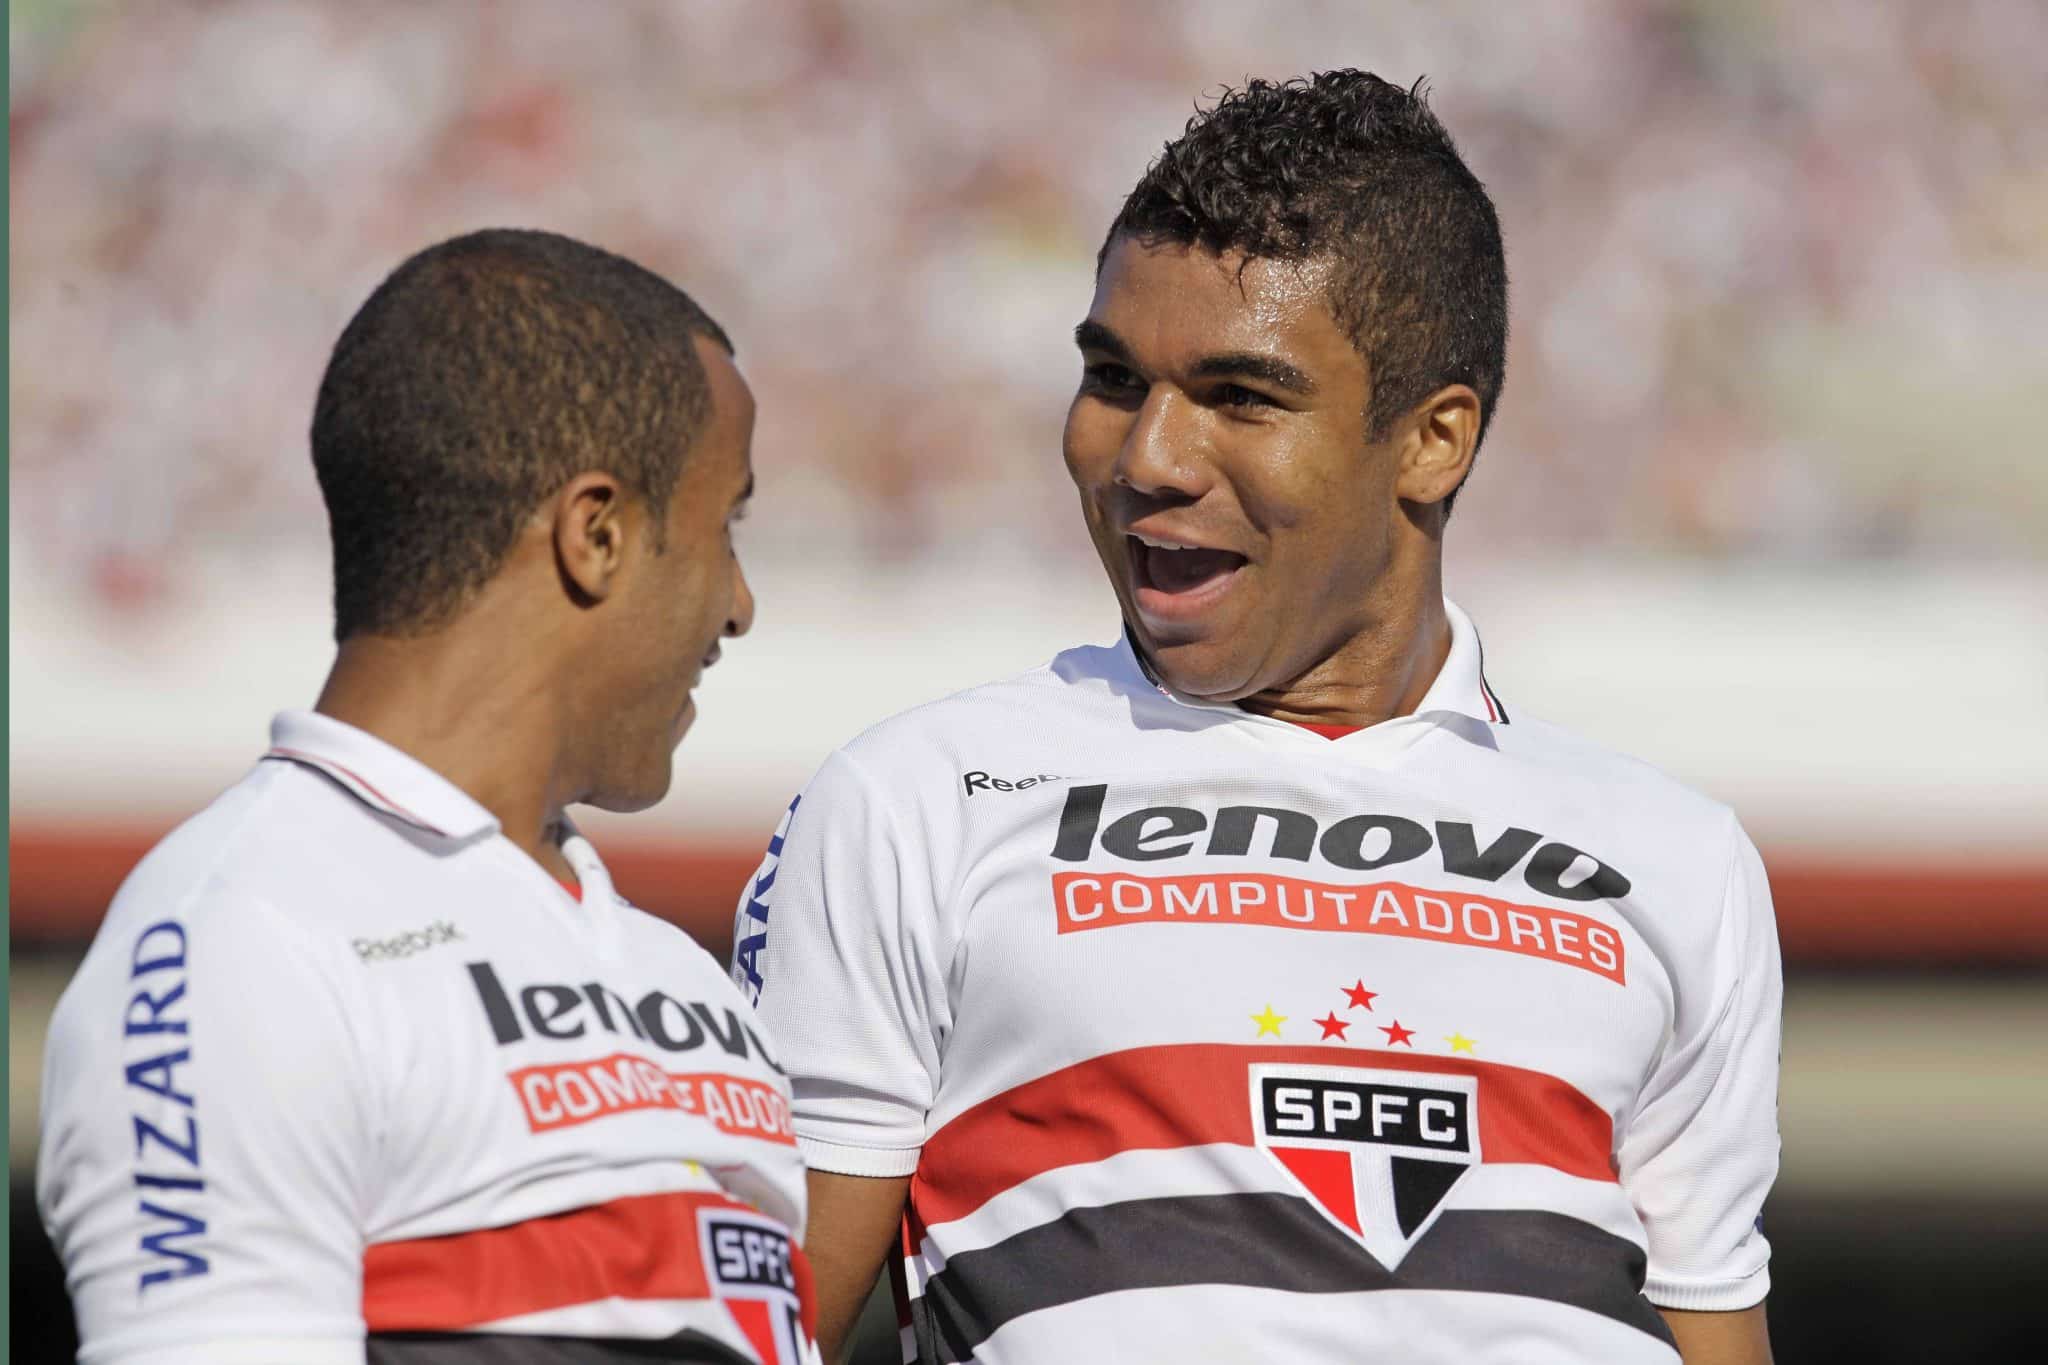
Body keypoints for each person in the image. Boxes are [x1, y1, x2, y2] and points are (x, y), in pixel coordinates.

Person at [735, 73, 1778, 1364]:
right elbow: (747, 1326)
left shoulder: (1677, 859)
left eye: (1240, 397)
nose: (1148, 457)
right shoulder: (915, 801)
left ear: (1434, 441)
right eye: (1112, 377)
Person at [39, 229, 817, 1365]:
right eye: (724, 525)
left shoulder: (679, 973)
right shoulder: (233, 946)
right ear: (597, 534)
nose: (739, 604)